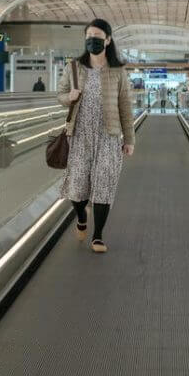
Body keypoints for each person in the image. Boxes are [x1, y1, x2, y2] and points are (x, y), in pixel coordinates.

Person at [57, 18, 135, 254]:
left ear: (108, 40)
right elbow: (59, 94)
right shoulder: (74, 67)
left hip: (108, 137)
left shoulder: (117, 71)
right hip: (79, 135)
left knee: (104, 185)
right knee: (78, 188)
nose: (92, 39)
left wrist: (129, 139)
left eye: (97, 36)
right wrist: (68, 97)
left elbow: (125, 105)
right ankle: (81, 216)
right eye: (89, 35)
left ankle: (98, 236)